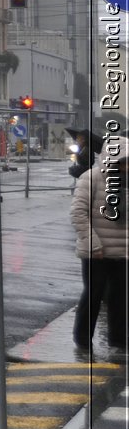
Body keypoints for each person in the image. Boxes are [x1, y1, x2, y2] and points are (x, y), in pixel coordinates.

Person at [69, 134, 127, 355]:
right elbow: (78, 213)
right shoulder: (91, 178)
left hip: (122, 252)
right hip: (96, 252)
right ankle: (83, 340)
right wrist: (93, 244)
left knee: (120, 297)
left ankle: (119, 341)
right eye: (124, 161)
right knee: (93, 295)